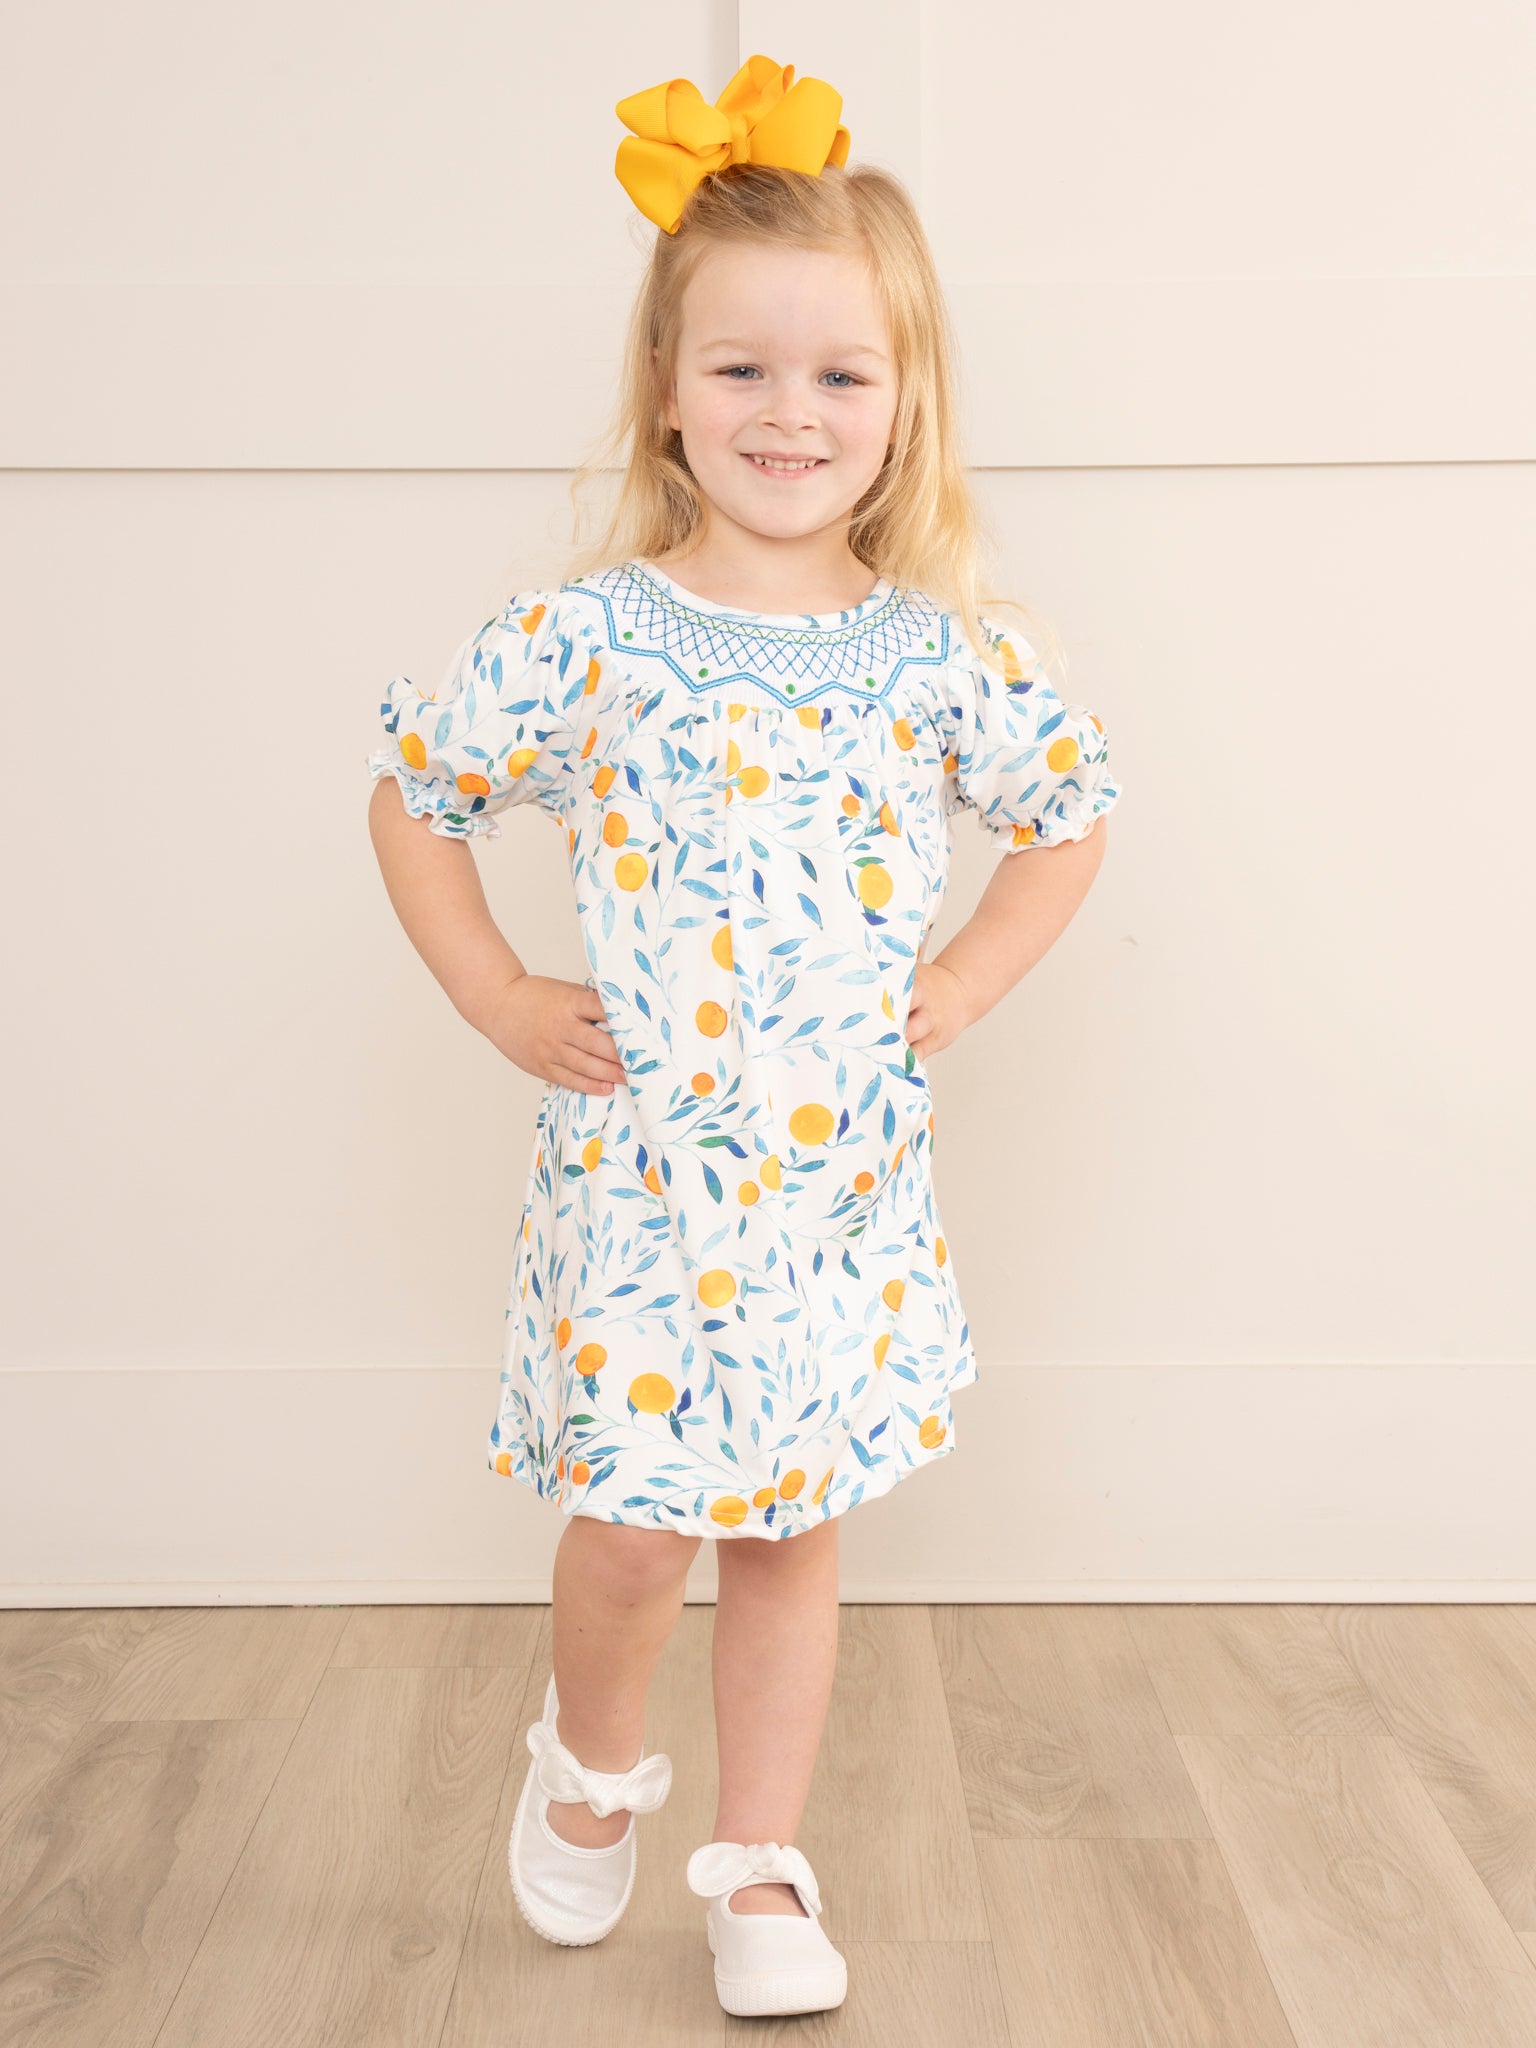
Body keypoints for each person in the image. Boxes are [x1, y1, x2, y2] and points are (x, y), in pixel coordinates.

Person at [364, 54, 1122, 2020]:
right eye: (744, 369)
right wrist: (502, 993)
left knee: (789, 1535)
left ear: (904, 403)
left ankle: (761, 1858)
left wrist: (965, 979)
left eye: (840, 374)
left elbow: (1066, 814)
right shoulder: (589, 640)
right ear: (667, 391)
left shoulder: (940, 654)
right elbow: (419, 798)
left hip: (835, 1191)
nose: (792, 413)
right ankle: (590, 1761)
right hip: (642, 1179)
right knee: (634, 1532)